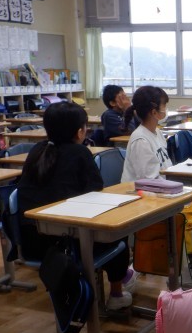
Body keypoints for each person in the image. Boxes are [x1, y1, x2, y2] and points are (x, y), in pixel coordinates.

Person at [17, 102, 135, 310]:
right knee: (117, 232)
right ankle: (116, 293)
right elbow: (95, 191)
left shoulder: (37, 151)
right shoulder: (80, 152)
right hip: (67, 243)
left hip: (32, 241)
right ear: (80, 131)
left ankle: (121, 276)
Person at [121, 85, 172, 182]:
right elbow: (149, 180)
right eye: (164, 106)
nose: (166, 110)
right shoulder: (141, 140)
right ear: (154, 112)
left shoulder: (157, 132)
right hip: (142, 190)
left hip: (162, 186)